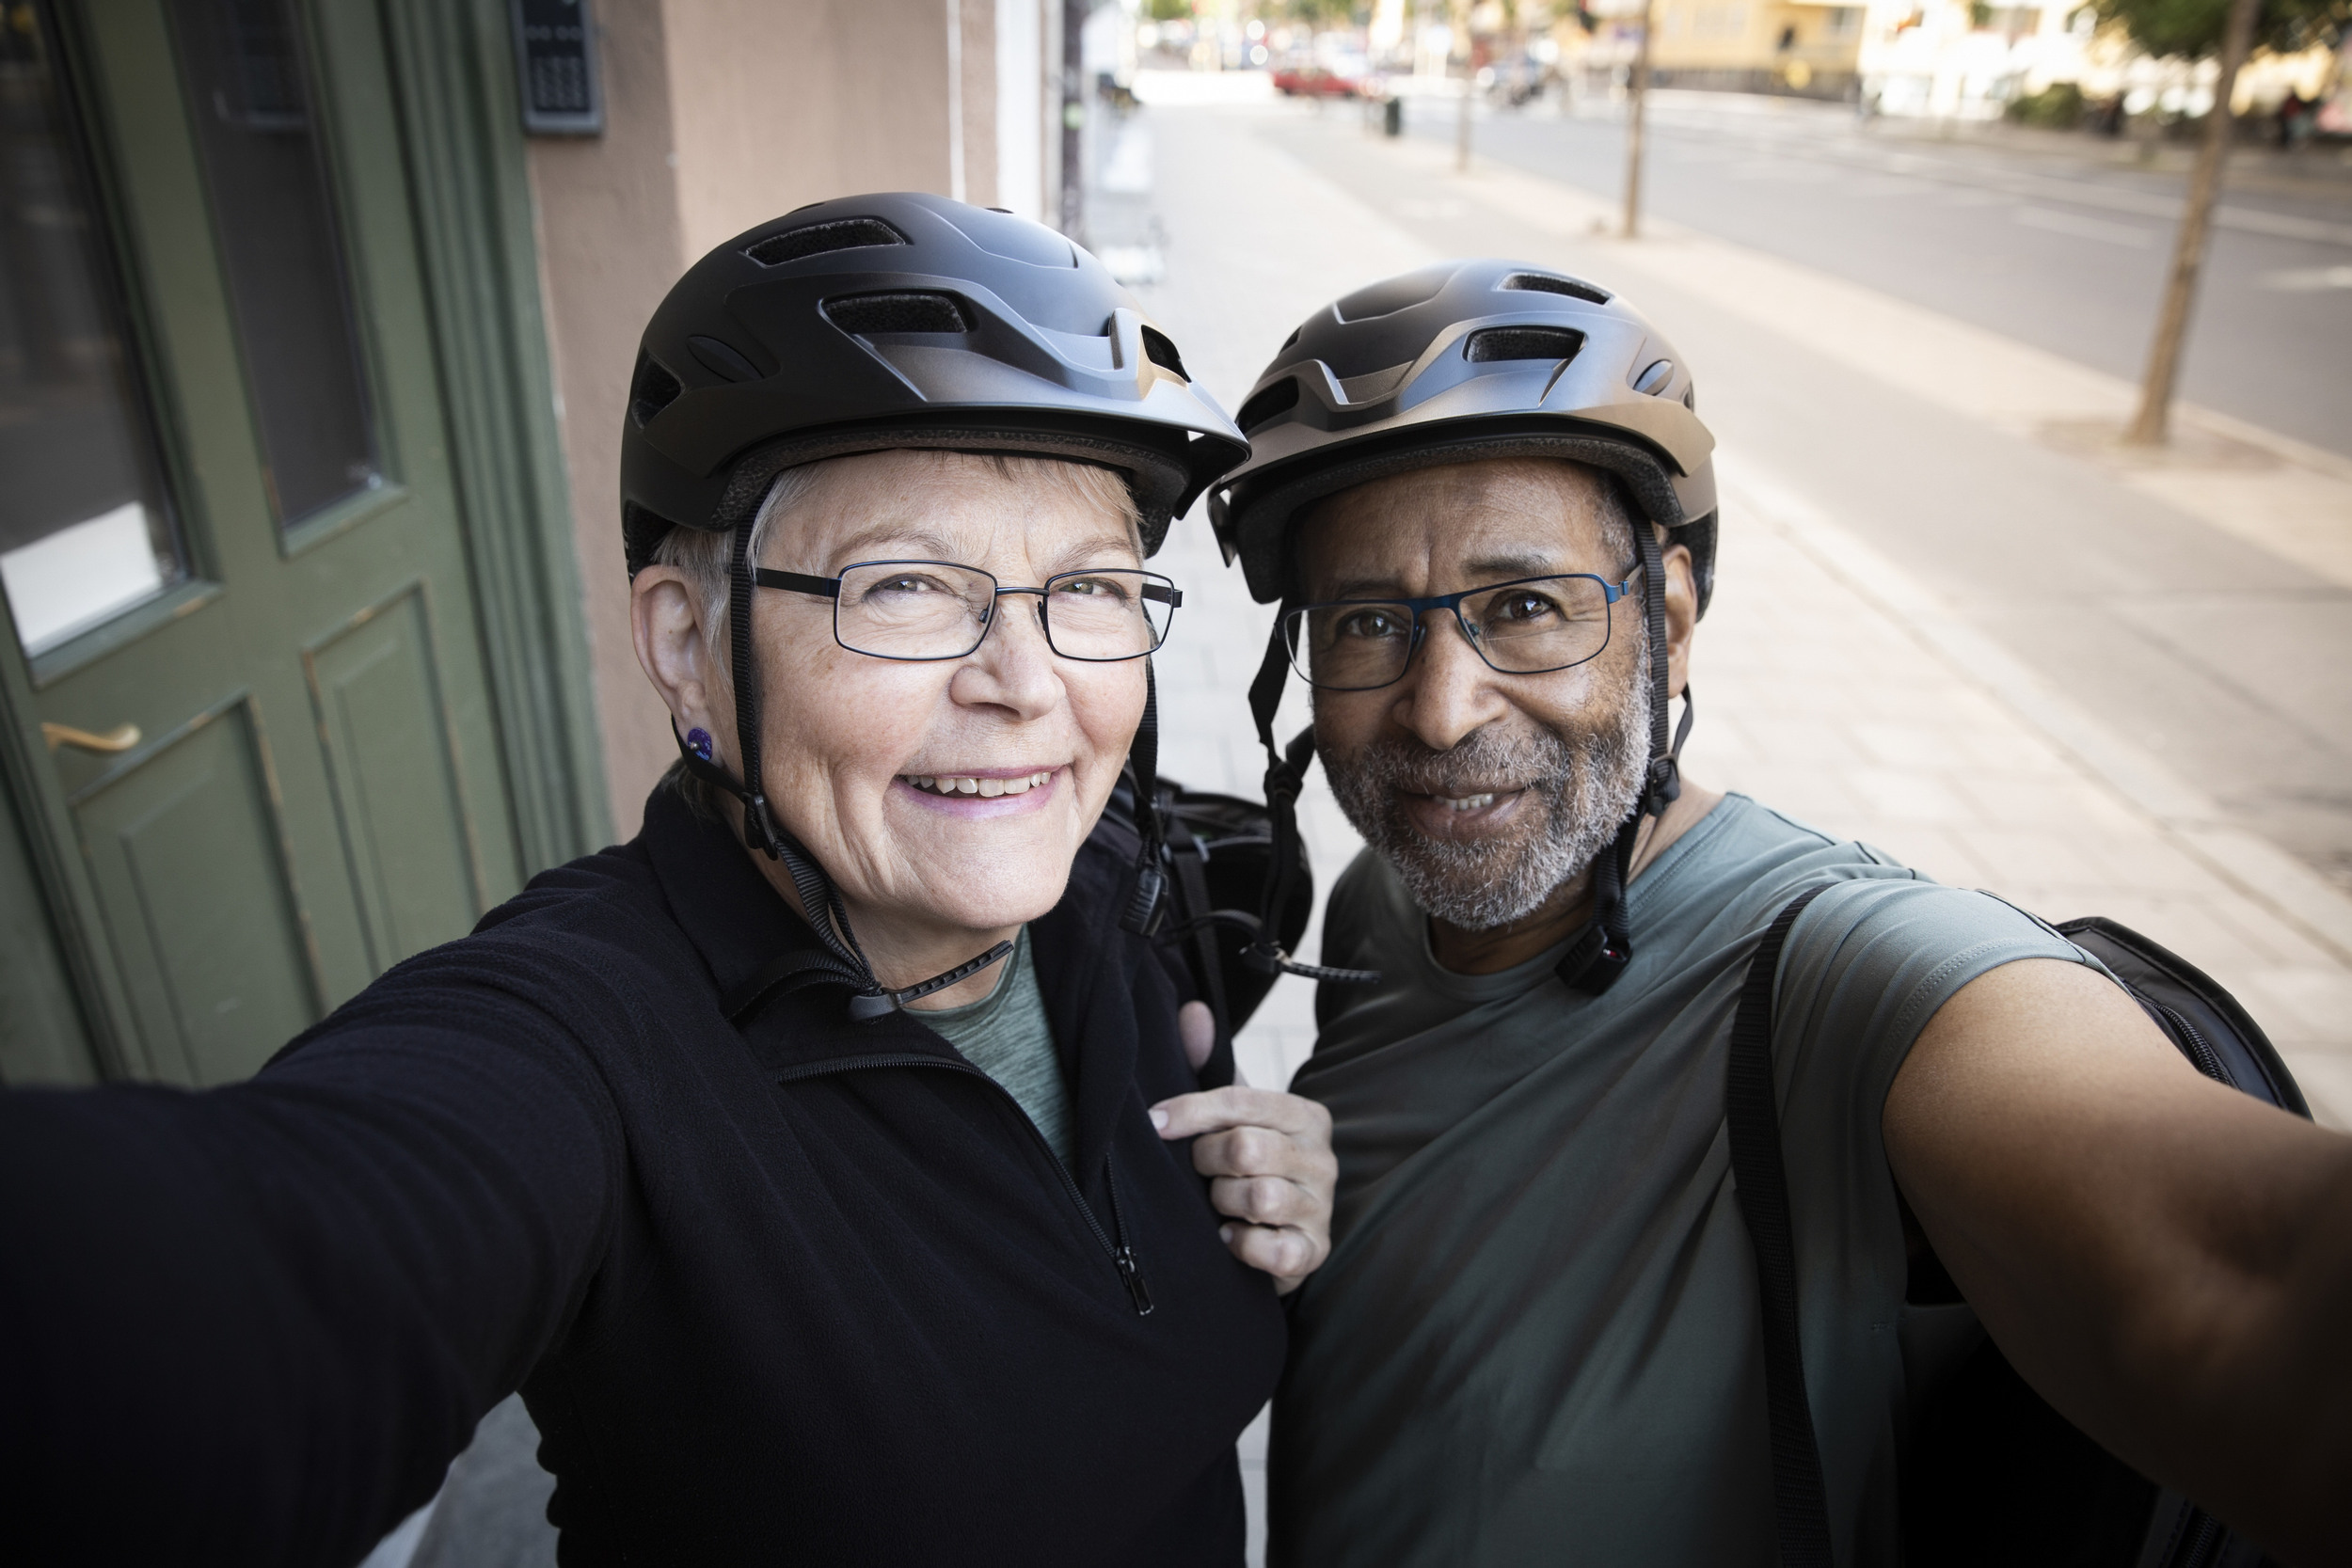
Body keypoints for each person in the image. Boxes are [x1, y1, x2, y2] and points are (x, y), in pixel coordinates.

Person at [0, 194, 1338, 1567]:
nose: (1030, 686)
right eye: (904, 589)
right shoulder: (593, 1044)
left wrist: (1272, 1180)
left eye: (1094, 588)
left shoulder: (1124, 882)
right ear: (687, 644)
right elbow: (265, 1283)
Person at [1204, 260, 2352, 1566]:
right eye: (1367, 623)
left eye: (1527, 608)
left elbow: (2247, 1282)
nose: (1440, 708)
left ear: (1673, 624)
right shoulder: (1382, 899)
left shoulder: (1853, 978)